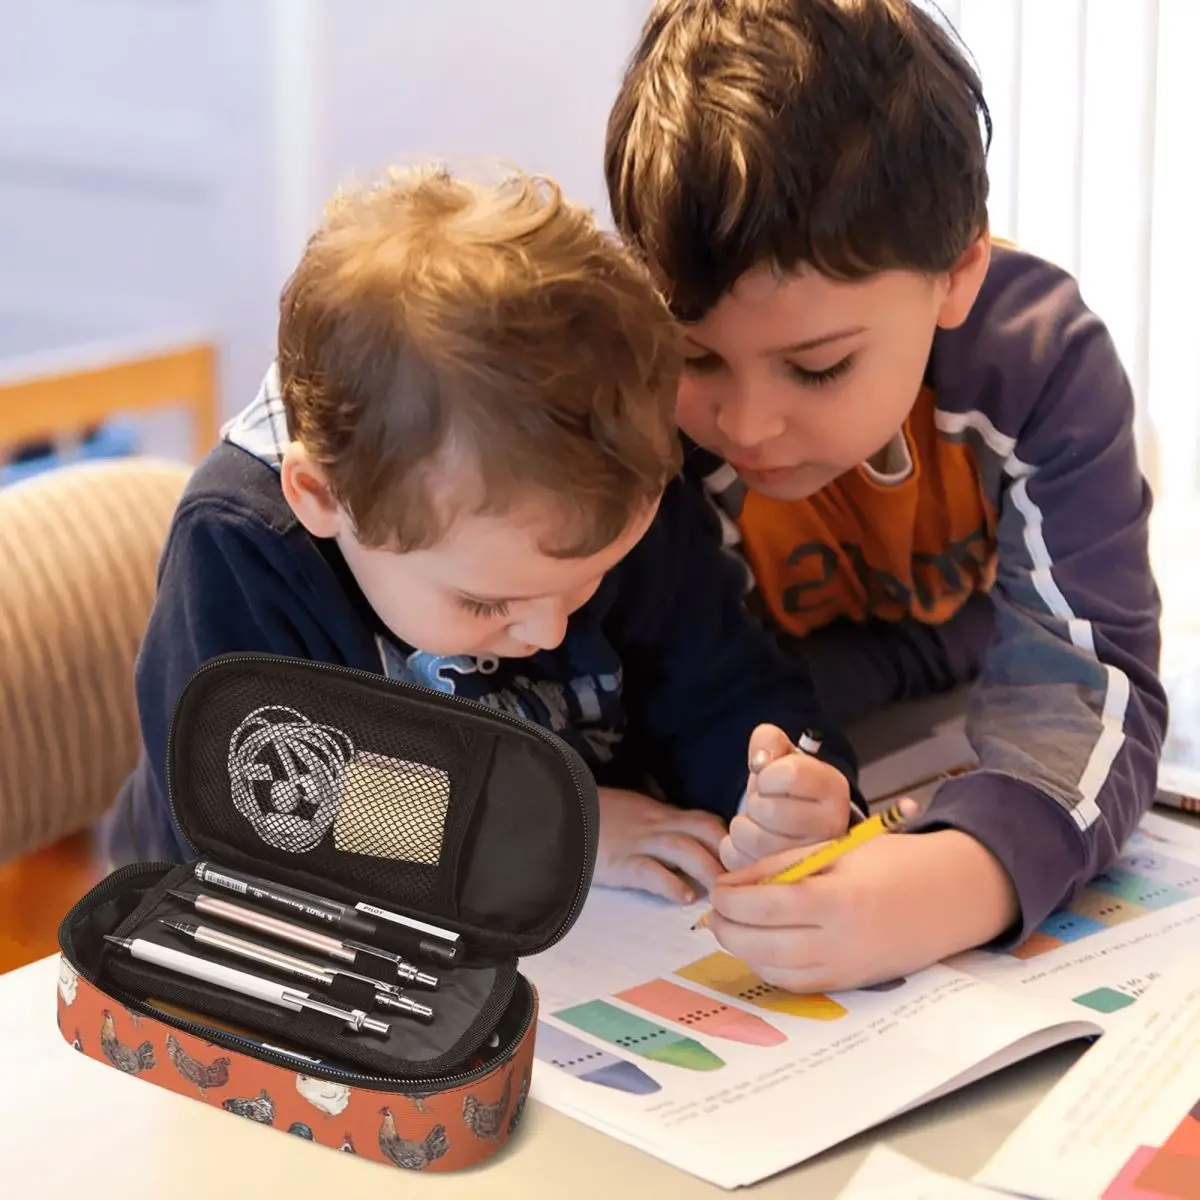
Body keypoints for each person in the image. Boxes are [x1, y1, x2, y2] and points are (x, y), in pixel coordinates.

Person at [99, 165, 863, 905]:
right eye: (485, 604)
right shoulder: (243, 547)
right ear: (323, 498)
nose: (549, 625)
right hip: (219, 940)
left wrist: (782, 792)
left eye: (588, 581)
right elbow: (260, 799)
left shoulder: (607, 485)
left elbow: (720, 684)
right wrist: (561, 832)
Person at [604, 0, 1167, 989]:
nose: (746, 425)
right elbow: (674, 697)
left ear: (957, 274)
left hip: (963, 697)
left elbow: (1090, 682)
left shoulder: (1042, 364)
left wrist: (967, 876)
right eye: (695, 355)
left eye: (817, 368)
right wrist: (781, 787)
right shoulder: (634, 398)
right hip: (839, 723)